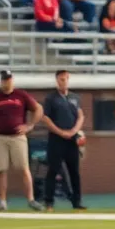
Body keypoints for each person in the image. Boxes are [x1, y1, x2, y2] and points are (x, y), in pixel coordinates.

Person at [0, 70, 43, 212]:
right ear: (0, 81)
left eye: (8, 79)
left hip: (17, 136)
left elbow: (38, 109)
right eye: (4, 80)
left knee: (24, 168)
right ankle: (2, 201)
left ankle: (31, 199)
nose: (6, 82)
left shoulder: (21, 95)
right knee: (1, 170)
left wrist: (30, 125)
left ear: (12, 80)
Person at [40, 70, 85, 212]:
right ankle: (49, 202)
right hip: (56, 139)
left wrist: (74, 131)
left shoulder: (75, 97)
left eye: (65, 79)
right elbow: (45, 118)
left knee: (74, 172)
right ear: (56, 80)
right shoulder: (51, 98)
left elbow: (80, 116)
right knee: (53, 170)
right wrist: (60, 132)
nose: (63, 82)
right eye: (60, 79)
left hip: (72, 140)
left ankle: (76, 202)